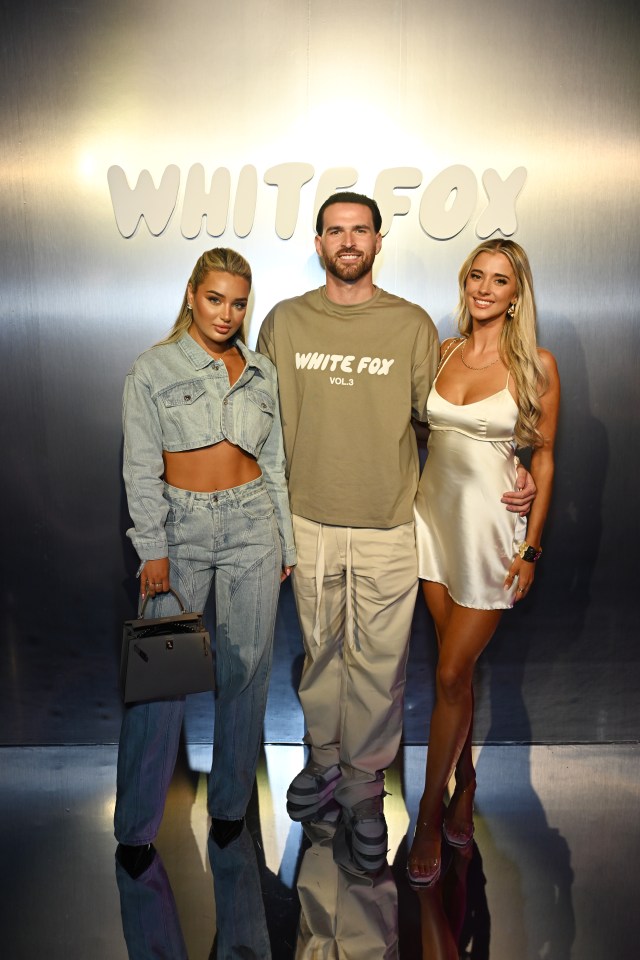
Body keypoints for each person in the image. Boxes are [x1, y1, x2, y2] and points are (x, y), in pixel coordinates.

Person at [257, 194, 535, 874]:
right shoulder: (284, 322)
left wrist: (516, 467)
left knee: (380, 671)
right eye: (336, 231)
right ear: (318, 242)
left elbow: (443, 419)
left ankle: (362, 793)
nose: (348, 241)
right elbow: (261, 427)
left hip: (390, 521)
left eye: (361, 231)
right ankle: (323, 763)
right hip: (308, 518)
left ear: (379, 241)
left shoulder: (411, 326)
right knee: (320, 655)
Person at [114, 248, 296, 902]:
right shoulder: (151, 369)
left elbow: (274, 463)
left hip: (254, 525)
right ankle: (135, 830)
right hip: (180, 530)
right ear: (193, 295)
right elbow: (140, 468)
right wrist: (152, 546)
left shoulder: (261, 371)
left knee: (246, 670)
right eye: (215, 298)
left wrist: (287, 540)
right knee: (162, 681)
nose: (227, 313)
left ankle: (228, 813)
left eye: (239, 301)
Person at [407, 239, 560, 888]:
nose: (484, 289)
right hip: (429, 529)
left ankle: (425, 816)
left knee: (448, 673)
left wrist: (531, 546)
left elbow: (545, 459)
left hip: (491, 537)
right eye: (476, 276)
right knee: (455, 678)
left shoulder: (539, 367)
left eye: (499, 281)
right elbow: (423, 435)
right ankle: (463, 783)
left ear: (516, 294)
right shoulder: (440, 353)